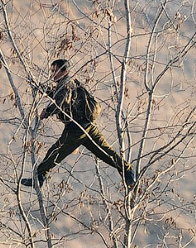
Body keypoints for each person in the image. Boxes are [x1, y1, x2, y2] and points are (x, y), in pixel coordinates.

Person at [22, 59, 137, 189]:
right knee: (105, 153)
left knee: (55, 151)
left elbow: (60, 101)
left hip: (77, 127)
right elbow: (56, 95)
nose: (52, 74)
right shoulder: (71, 83)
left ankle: (39, 177)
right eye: (52, 71)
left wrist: (47, 112)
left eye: (55, 71)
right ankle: (128, 171)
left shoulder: (66, 85)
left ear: (64, 71)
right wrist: (39, 87)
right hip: (88, 126)